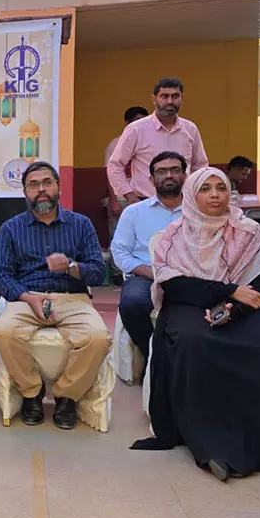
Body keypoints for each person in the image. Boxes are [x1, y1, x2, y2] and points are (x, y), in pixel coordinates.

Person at [131, 167, 260, 481]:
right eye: (205, 189)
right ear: (191, 195)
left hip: (245, 307)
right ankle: (210, 445)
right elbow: (175, 286)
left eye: (220, 188)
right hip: (191, 305)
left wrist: (233, 309)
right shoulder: (175, 235)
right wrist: (228, 292)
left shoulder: (249, 231)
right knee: (193, 341)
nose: (215, 195)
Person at [0, 161, 109, 430]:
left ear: (58, 187)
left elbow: (97, 271)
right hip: (27, 298)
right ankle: (31, 392)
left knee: (98, 338)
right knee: (4, 333)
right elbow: (1, 274)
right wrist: (28, 298)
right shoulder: (11, 228)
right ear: (25, 192)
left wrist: (71, 266)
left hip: (72, 297)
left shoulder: (81, 224)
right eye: (33, 185)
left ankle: (66, 396)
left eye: (47, 183)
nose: (41, 190)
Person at [112, 151, 185, 366]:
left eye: (175, 170)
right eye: (162, 171)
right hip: (145, 276)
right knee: (133, 303)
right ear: (152, 179)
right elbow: (119, 252)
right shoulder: (134, 212)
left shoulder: (197, 211)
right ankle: (153, 356)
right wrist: (150, 272)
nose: (168, 175)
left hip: (189, 275)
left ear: (185, 175)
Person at [107, 79, 209, 204]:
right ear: (154, 99)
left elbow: (200, 166)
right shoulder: (136, 129)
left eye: (175, 96)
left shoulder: (190, 129)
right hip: (145, 201)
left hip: (184, 204)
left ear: (182, 98)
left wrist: (197, 195)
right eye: (164, 96)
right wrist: (130, 196)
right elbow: (115, 165)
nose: (170, 101)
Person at [104, 106, 150, 239]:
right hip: (121, 199)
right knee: (120, 236)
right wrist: (113, 200)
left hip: (145, 198)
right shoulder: (116, 144)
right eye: (137, 121)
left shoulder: (150, 143)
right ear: (127, 123)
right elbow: (110, 173)